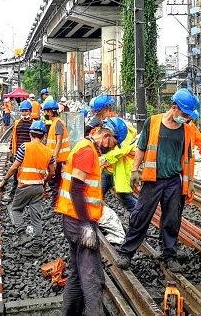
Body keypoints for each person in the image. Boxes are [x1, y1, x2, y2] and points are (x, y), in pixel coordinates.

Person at [117, 88, 201, 272]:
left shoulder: (188, 127)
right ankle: (126, 253)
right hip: (153, 180)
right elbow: (141, 147)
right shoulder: (154, 122)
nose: (187, 118)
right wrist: (135, 169)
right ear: (174, 107)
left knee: (172, 220)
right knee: (140, 216)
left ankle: (169, 254)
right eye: (185, 113)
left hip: (175, 180)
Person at [56, 117, 126, 316]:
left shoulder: (86, 148)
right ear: (105, 136)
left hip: (73, 219)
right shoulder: (87, 151)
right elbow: (76, 188)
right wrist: (86, 224)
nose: (112, 148)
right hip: (78, 221)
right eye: (113, 144)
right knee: (93, 277)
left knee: (78, 275)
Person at [0, 120, 54, 256]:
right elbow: (52, 172)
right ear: (43, 135)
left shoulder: (24, 147)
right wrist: (44, 182)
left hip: (24, 186)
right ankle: (36, 248)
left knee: (16, 209)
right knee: (36, 218)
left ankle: (22, 234)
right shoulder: (48, 151)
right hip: (38, 188)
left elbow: (14, 167)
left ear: (30, 134)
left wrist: (4, 180)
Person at [101, 118, 138, 213]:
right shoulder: (119, 132)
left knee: (125, 197)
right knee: (97, 195)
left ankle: (139, 217)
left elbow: (121, 151)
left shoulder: (126, 137)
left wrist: (103, 158)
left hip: (120, 172)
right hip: (109, 170)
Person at [5, 99, 34, 203]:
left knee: (28, 174)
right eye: (22, 111)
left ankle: (27, 195)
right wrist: (11, 151)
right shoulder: (17, 123)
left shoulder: (34, 124)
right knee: (16, 174)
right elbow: (13, 138)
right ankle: (14, 193)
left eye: (26, 111)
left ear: (30, 111)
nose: (24, 113)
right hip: (18, 153)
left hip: (29, 154)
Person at [43, 99, 71, 207]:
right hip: (57, 159)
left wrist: (54, 158)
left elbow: (59, 141)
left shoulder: (58, 123)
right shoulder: (55, 123)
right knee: (57, 182)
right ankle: (58, 203)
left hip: (59, 159)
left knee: (55, 182)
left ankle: (56, 204)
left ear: (50, 112)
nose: (45, 114)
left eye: (46, 112)